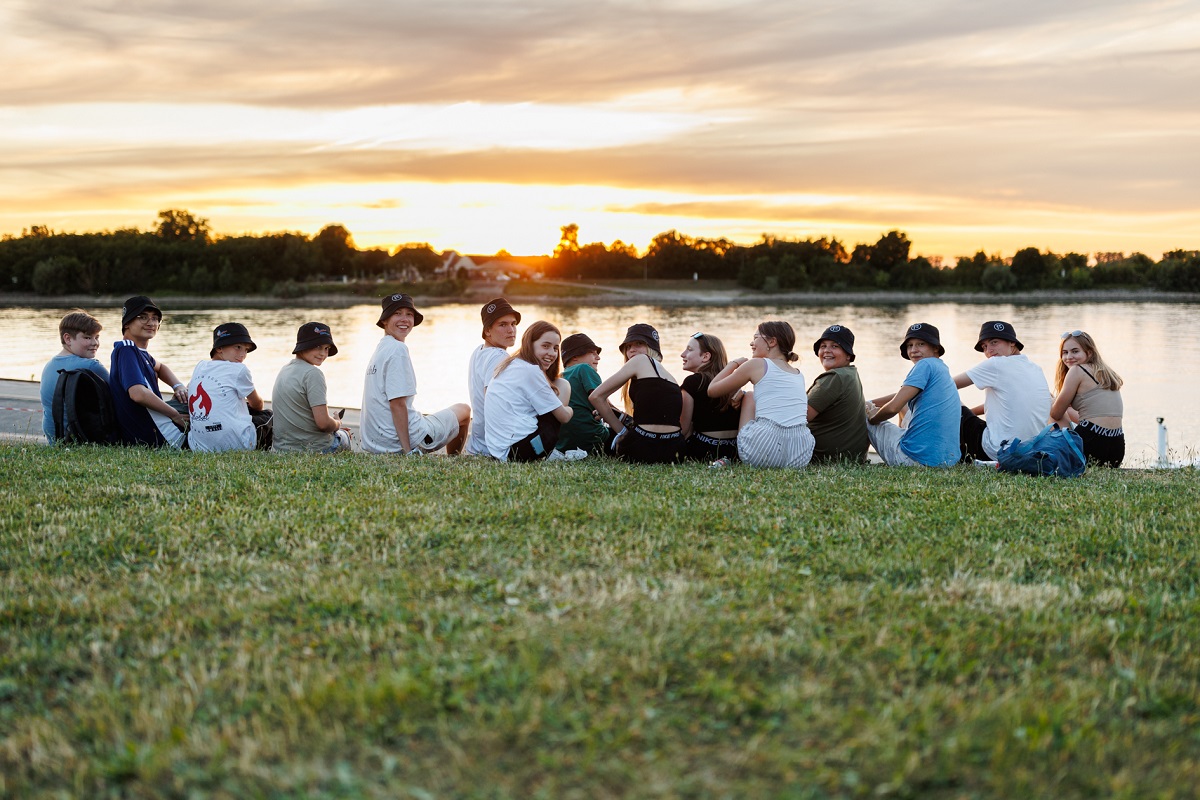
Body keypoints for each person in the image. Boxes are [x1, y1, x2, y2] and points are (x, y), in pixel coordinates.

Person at [360, 293, 470, 455]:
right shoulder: (398, 350)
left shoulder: (380, 349)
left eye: (409, 314)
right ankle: (453, 460)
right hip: (404, 440)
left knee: (428, 416)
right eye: (397, 314)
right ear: (385, 320)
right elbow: (397, 403)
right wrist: (407, 450)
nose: (404, 319)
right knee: (464, 410)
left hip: (375, 443)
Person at [707, 321, 814, 469]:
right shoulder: (798, 374)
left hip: (763, 450)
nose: (752, 343)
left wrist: (734, 364)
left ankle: (739, 451)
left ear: (772, 341)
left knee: (750, 395)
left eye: (756, 337)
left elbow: (712, 390)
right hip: (800, 454)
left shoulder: (757, 364)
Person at [864, 323, 961, 467]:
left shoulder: (924, 365)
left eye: (921, 344)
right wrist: (870, 402)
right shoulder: (940, 367)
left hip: (914, 459)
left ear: (935, 347)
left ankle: (856, 459)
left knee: (860, 414)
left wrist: (872, 417)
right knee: (900, 408)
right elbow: (900, 396)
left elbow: (892, 408)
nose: (914, 350)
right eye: (910, 345)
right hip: (948, 461)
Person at [954, 320, 1052, 462]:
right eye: (984, 346)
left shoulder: (996, 363)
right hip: (1029, 452)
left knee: (946, 395)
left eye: (994, 342)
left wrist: (963, 415)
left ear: (1012, 343)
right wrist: (970, 414)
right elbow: (1010, 402)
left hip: (997, 452)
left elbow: (946, 385)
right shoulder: (1036, 368)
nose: (989, 351)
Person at [588, 323, 683, 464]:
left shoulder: (641, 360)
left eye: (639, 344)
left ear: (651, 348)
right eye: (628, 347)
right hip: (675, 451)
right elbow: (655, 418)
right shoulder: (671, 379)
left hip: (642, 448)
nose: (632, 350)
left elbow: (596, 396)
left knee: (600, 433)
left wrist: (622, 433)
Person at [484, 321, 575, 461]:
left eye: (555, 348)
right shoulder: (531, 371)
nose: (551, 353)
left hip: (498, 451)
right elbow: (563, 417)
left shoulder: (510, 364)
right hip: (520, 452)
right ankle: (550, 452)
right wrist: (569, 409)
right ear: (529, 344)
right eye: (545, 346)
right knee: (564, 386)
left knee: (558, 385)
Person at [108, 295, 188, 448]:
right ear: (127, 324)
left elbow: (161, 367)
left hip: (159, 430)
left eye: (155, 318)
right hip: (161, 437)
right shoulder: (126, 349)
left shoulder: (139, 352)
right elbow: (138, 393)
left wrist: (178, 386)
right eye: (143, 317)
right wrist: (174, 415)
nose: (151, 323)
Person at [186, 323, 272, 452]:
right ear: (220, 348)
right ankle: (265, 450)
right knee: (269, 416)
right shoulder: (239, 369)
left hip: (198, 446)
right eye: (238, 347)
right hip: (237, 444)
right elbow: (258, 404)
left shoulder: (200, 366)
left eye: (246, 350)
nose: (243, 354)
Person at [271, 322, 351, 453]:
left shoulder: (285, 370)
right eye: (318, 347)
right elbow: (324, 424)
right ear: (304, 346)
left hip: (283, 448)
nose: (323, 354)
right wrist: (337, 423)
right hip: (314, 449)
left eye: (326, 348)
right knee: (345, 436)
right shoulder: (313, 374)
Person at [1050, 330, 1124, 467]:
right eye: (1065, 353)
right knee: (1060, 405)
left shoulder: (1077, 370)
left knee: (1051, 404)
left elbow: (1056, 414)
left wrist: (1054, 400)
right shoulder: (1106, 372)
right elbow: (1093, 416)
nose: (1069, 357)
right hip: (1116, 450)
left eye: (1075, 351)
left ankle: (1054, 454)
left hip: (1092, 445)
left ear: (1089, 353)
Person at [40, 309, 109, 443]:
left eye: (97, 337)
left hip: (55, 440)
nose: (95, 343)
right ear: (68, 338)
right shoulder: (90, 366)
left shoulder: (49, 365)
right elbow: (121, 396)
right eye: (88, 337)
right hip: (81, 440)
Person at [463, 298, 521, 456]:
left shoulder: (479, 351)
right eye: (503, 325)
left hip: (478, 443)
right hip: (493, 446)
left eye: (513, 323)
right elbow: (493, 402)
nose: (511, 330)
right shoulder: (498, 356)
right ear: (487, 331)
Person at [806, 325, 869, 463]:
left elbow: (799, 417)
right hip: (848, 457)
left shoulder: (835, 378)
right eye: (823, 346)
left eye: (835, 346)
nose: (827, 350)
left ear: (848, 355)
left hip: (826, 458)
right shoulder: (850, 373)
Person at [679, 332, 740, 462]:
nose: (682, 354)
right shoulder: (732, 381)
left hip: (704, 450)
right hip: (733, 451)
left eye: (689, 350)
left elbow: (683, 429)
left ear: (706, 356)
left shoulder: (693, 382)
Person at [556, 332, 613, 456]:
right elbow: (603, 401)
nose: (598, 358)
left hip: (563, 444)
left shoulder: (558, 378)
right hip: (592, 439)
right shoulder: (584, 368)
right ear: (575, 356)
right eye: (593, 353)